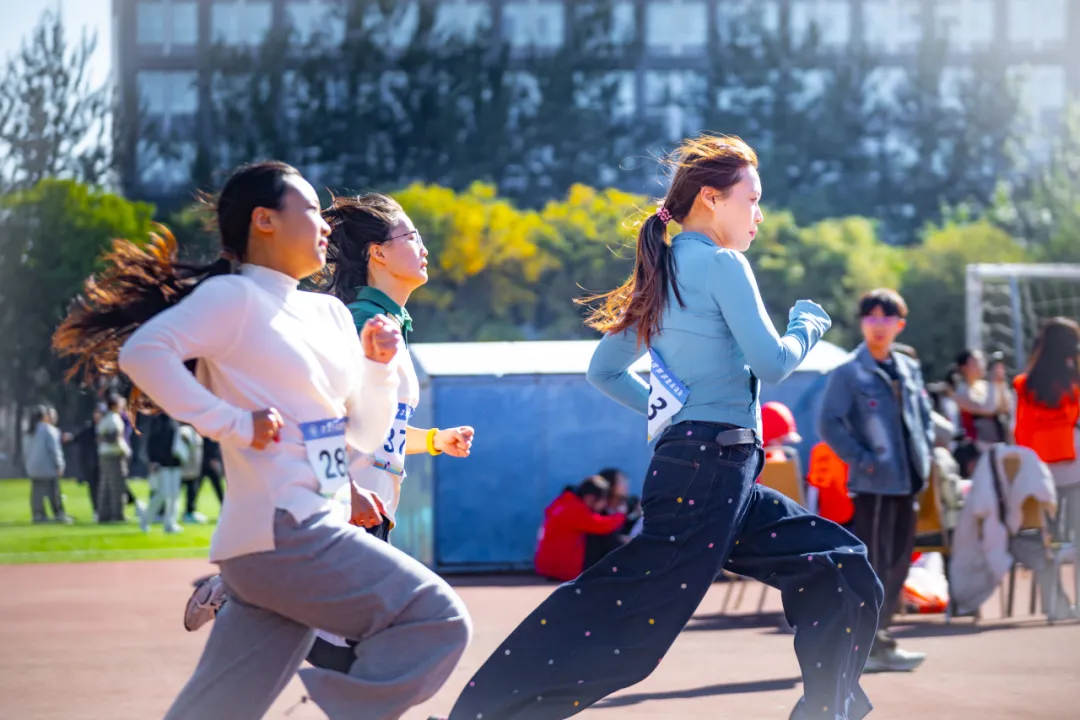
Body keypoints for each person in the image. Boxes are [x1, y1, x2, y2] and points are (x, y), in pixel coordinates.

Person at [444, 135, 880, 720]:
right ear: (711, 199)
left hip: (711, 471)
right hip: (711, 472)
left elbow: (604, 371)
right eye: (752, 200)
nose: (759, 215)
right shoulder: (722, 263)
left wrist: (674, 416)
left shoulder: (663, 269)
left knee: (839, 565)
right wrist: (807, 324)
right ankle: (482, 713)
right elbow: (774, 363)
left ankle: (829, 711)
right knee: (626, 633)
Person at [52, 161, 471, 720]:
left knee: (219, 707)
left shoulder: (328, 313)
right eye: (309, 211)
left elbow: (359, 433)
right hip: (285, 531)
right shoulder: (236, 298)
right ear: (264, 221)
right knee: (437, 619)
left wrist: (375, 372)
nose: (325, 226)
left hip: (289, 538)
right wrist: (231, 422)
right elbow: (143, 354)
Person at [182, 191, 477, 675]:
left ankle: (248, 595)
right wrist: (349, 488)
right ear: (377, 253)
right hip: (343, 510)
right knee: (380, 643)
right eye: (411, 236)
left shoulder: (390, 325)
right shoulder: (361, 323)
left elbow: (372, 429)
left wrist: (432, 440)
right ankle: (245, 593)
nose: (424, 247)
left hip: (366, 509)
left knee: (346, 652)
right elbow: (316, 417)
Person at [817, 288, 933, 673]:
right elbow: (828, 422)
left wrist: (926, 454)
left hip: (908, 480)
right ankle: (862, 648)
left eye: (887, 318)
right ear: (862, 323)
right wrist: (863, 460)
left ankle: (880, 643)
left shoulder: (908, 368)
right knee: (875, 566)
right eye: (871, 317)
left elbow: (923, 417)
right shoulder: (849, 372)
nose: (878, 325)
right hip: (875, 485)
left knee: (898, 566)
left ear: (900, 325)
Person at [1012, 317, 1080, 600]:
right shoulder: (1075, 384)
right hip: (1075, 469)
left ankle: (1054, 601)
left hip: (1038, 473)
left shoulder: (1024, 385)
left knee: (1042, 539)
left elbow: (1019, 432)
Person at [534, 475, 628, 582]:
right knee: (605, 535)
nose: (604, 505)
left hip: (549, 567)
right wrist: (620, 515)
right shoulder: (574, 509)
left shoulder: (562, 502)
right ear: (590, 498)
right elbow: (602, 525)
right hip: (565, 570)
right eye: (603, 500)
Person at [951, 349, 1013, 450]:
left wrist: (1001, 383)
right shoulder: (961, 392)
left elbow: (1005, 408)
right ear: (964, 367)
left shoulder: (985, 385)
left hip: (997, 442)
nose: (981, 365)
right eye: (975, 363)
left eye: (981, 361)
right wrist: (993, 382)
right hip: (976, 447)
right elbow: (988, 409)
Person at [24, 404, 72, 524]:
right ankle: (58, 513)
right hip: (47, 467)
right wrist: (60, 465)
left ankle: (38, 514)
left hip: (33, 467)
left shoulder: (29, 431)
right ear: (44, 416)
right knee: (54, 491)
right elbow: (54, 450)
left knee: (37, 492)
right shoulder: (49, 430)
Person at [142, 412, 185, 534]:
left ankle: (170, 523)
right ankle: (146, 519)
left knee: (174, 495)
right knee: (162, 494)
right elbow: (152, 442)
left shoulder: (175, 419)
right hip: (162, 464)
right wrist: (153, 460)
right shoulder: (158, 420)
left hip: (175, 462)